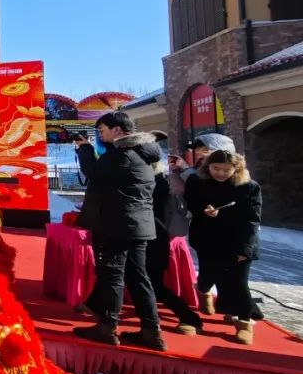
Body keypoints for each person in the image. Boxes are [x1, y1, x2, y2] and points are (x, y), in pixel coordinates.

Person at [72, 112, 165, 350]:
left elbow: (94, 173)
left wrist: (84, 150)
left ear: (117, 130)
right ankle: (151, 330)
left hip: (116, 225)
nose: (100, 135)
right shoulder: (142, 153)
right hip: (137, 224)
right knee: (138, 277)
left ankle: (108, 327)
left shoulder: (123, 154)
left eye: (102, 130)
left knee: (112, 275)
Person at [185, 151, 262, 344]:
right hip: (208, 239)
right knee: (208, 275)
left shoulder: (249, 186)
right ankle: (203, 291)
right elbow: (191, 202)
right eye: (216, 168)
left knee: (239, 283)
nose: (220, 173)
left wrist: (245, 249)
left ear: (237, 169)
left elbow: (252, 219)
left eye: (227, 170)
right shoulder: (197, 182)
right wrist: (203, 209)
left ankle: (244, 322)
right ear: (207, 167)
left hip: (238, 240)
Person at [149, 153, 204, 334]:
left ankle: (188, 317)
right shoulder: (159, 180)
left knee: (154, 284)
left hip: (152, 239)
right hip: (155, 237)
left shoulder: (156, 183)